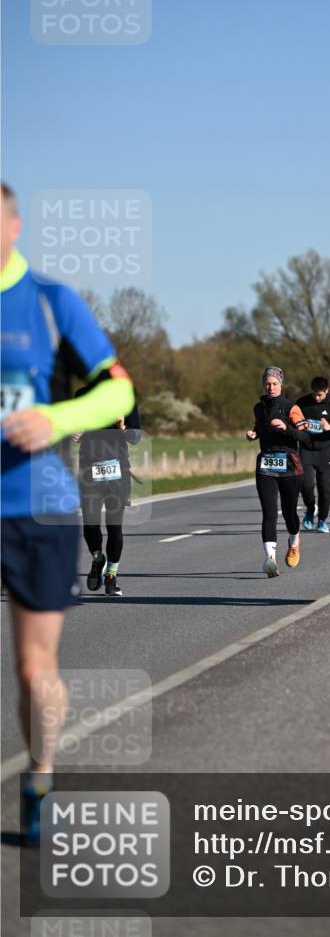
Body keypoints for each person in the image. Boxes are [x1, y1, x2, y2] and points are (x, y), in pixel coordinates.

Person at [0, 182, 134, 843]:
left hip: (35, 508)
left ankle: (41, 773)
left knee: (32, 668)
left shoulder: (51, 304)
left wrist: (54, 416)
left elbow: (118, 390)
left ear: (14, 225)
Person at [73, 396, 141, 596]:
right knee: (90, 525)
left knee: (114, 527)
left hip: (117, 469)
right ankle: (97, 558)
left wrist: (122, 427)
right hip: (89, 468)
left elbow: (136, 437)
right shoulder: (82, 395)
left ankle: (111, 576)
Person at [246, 366, 310, 576]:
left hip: (290, 466)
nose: (270, 387)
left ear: (281, 385)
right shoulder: (259, 408)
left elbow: (305, 437)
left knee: (289, 512)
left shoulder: (292, 408)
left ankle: (294, 539)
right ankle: (270, 559)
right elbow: (259, 427)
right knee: (269, 513)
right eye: (267, 383)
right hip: (266, 465)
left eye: (274, 383)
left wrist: (287, 429)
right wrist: (253, 434)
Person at [296, 376, 330, 533]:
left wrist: (329, 427)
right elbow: (292, 422)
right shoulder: (302, 403)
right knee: (306, 485)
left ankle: (322, 520)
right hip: (306, 451)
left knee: (324, 490)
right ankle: (310, 509)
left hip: (324, 452)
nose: (317, 398)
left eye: (320, 395)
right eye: (314, 394)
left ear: (327, 391)